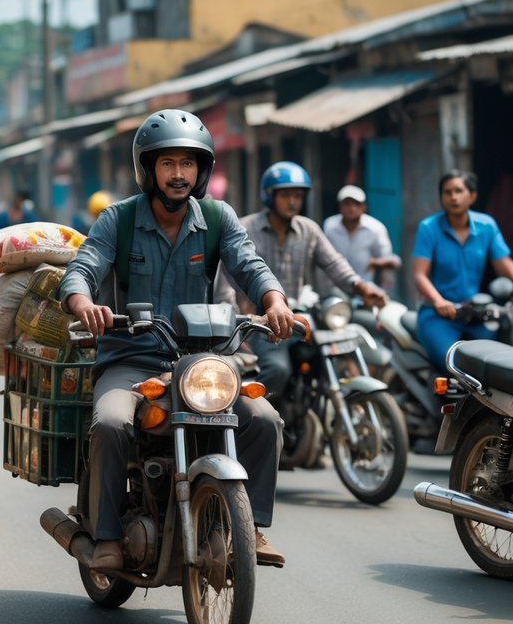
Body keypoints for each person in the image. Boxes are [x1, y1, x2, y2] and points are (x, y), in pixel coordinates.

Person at [58, 109, 296, 571]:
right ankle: (107, 534)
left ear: (202, 170)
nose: (179, 174)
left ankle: (252, 526)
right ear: (148, 169)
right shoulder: (118, 220)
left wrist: (275, 301)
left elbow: (249, 264)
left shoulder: (217, 218)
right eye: (168, 164)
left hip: (200, 364)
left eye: (188, 164)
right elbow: (83, 267)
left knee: (265, 420)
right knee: (110, 424)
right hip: (131, 360)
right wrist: (83, 302)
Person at [216, 162, 387, 397]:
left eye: (298, 195)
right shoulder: (245, 229)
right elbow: (224, 279)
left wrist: (360, 286)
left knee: (330, 354)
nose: (293, 201)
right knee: (277, 369)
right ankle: (260, 419)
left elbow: (334, 263)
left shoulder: (309, 229)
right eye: (286, 195)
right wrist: (234, 323)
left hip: (298, 317)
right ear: (269, 195)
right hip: (259, 324)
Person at [411, 169, 513, 373]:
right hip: (438, 316)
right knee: (453, 364)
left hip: (474, 314)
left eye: (458, 191)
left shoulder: (486, 226)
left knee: (497, 363)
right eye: (447, 192)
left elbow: (503, 263)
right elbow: (419, 274)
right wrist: (439, 302)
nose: (453, 197)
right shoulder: (429, 227)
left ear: (472, 196)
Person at [322, 185, 401, 290]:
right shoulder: (330, 226)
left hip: (365, 289)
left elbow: (390, 259)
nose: (351, 208)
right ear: (340, 206)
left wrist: (377, 263)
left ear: (364, 207)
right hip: (335, 288)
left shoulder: (375, 228)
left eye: (356, 204)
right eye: (347, 204)